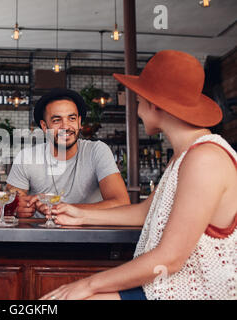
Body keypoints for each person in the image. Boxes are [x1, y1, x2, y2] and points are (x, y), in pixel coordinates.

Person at [41, 50, 236, 300]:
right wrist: (81, 215)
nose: (138, 110)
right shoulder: (186, 155)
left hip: (193, 291)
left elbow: (171, 258)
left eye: (138, 102)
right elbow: (147, 212)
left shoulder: (204, 159)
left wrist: (87, 285)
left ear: (154, 103)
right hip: (167, 286)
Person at [6, 88, 130, 218]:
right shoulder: (27, 157)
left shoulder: (97, 151)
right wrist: (16, 207)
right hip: (40, 235)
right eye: (56, 120)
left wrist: (64, 209)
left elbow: (121, 203)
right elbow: (10, 200)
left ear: (79, 122)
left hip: (89, 236)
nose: (65, 126)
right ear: (44, 126)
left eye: (71, 118)